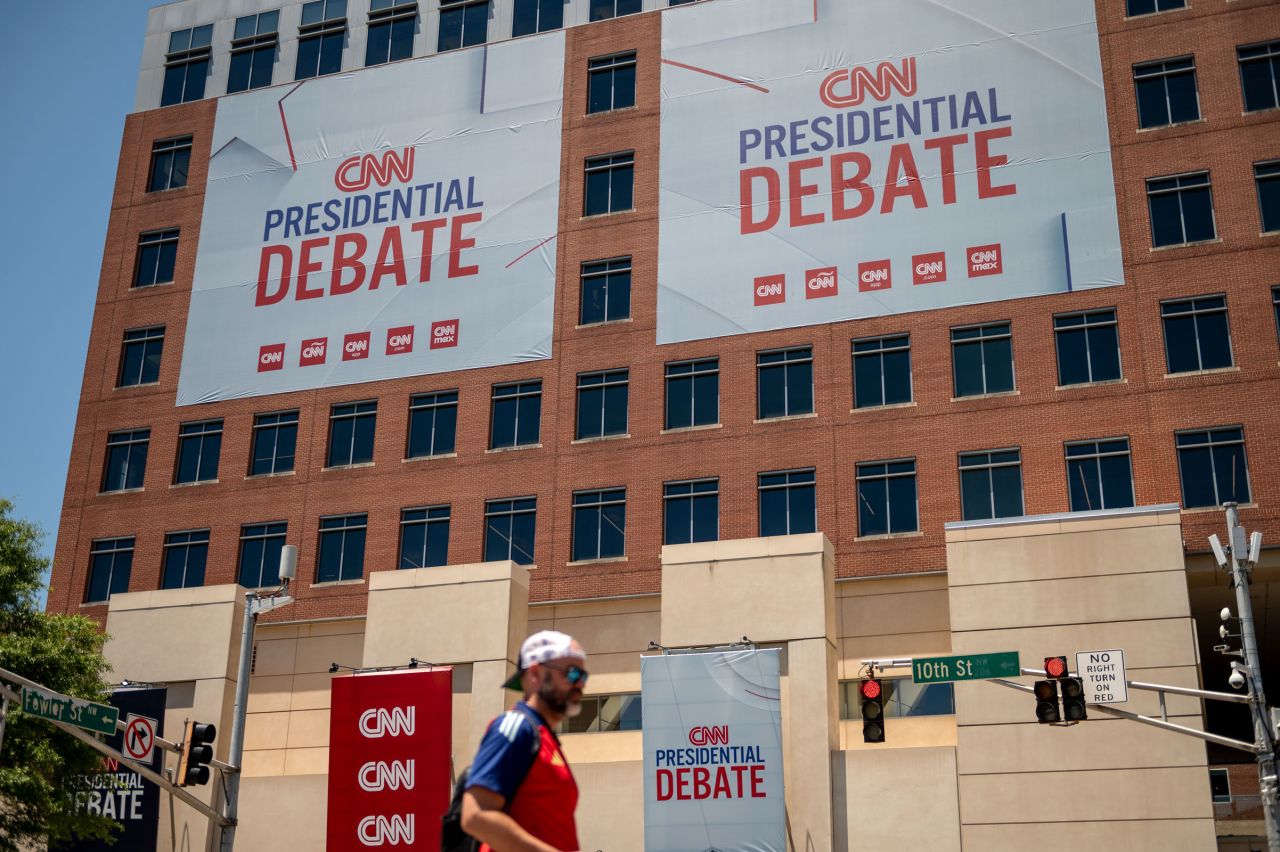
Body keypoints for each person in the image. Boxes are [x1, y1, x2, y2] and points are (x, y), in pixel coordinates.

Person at [461, 630, 587, 852]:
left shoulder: (544, 738)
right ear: (535, 673)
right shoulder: (515, 728)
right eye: (572, 673)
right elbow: (475, 815)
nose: (580, 684)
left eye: (583, 677)